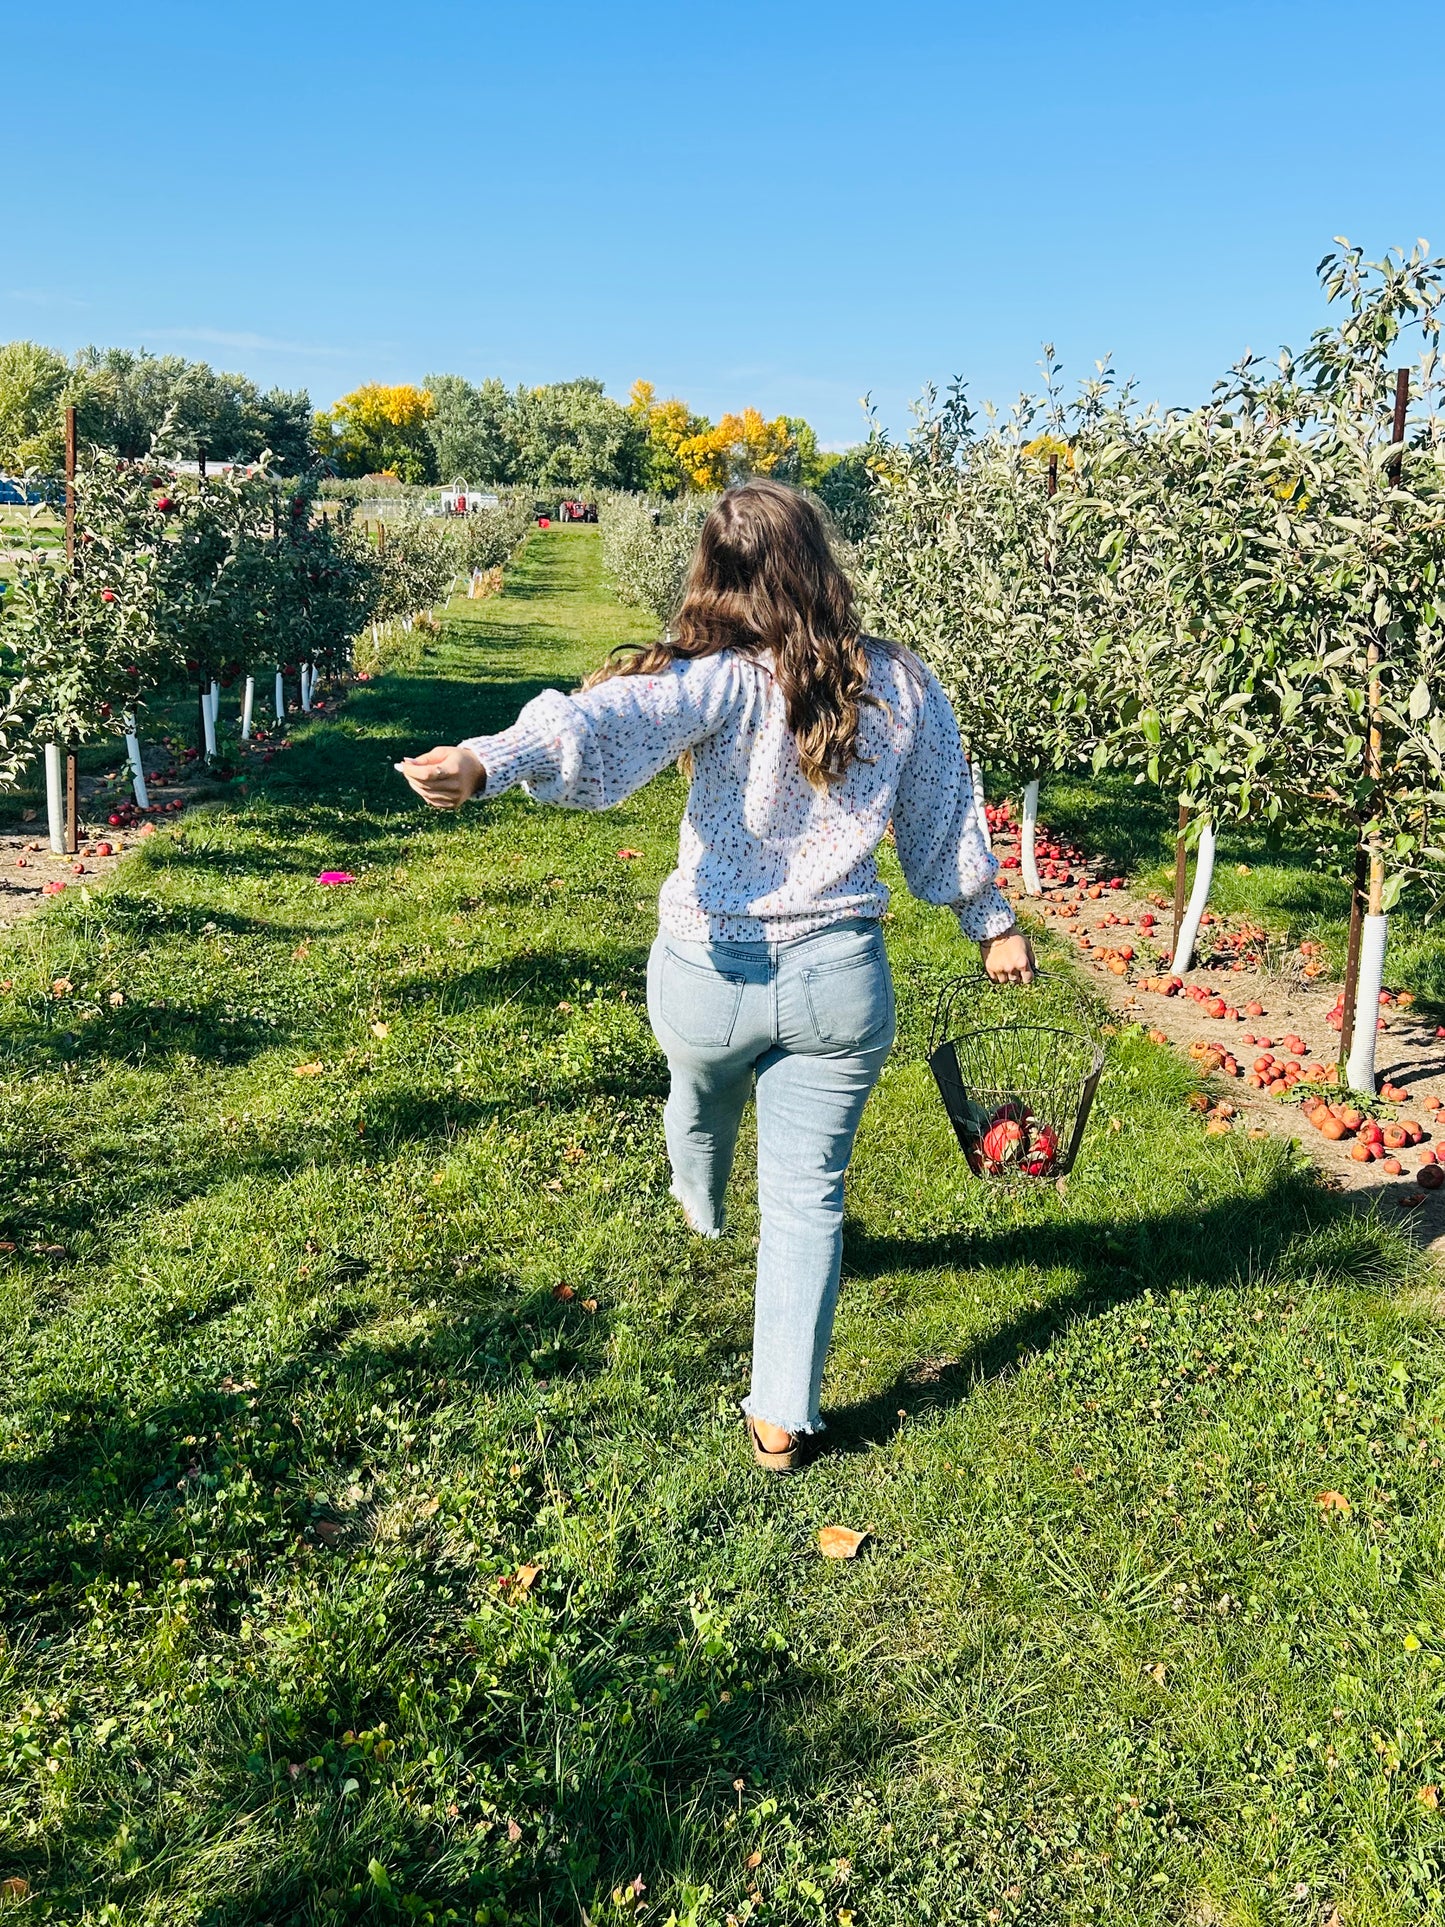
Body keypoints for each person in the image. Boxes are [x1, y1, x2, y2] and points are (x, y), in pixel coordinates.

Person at [398, 479, 1034, 1473]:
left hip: (708, 970)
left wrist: (489, 759)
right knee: (808, 1193)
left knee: (696, 1091)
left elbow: (605, 718)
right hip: (838, 977)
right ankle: (781, 1414)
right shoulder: (900, 683)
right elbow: (944, 812)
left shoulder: (714, 677)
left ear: (714, 569)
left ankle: (697, 1195)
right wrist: (987, 921)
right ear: (818, 562)